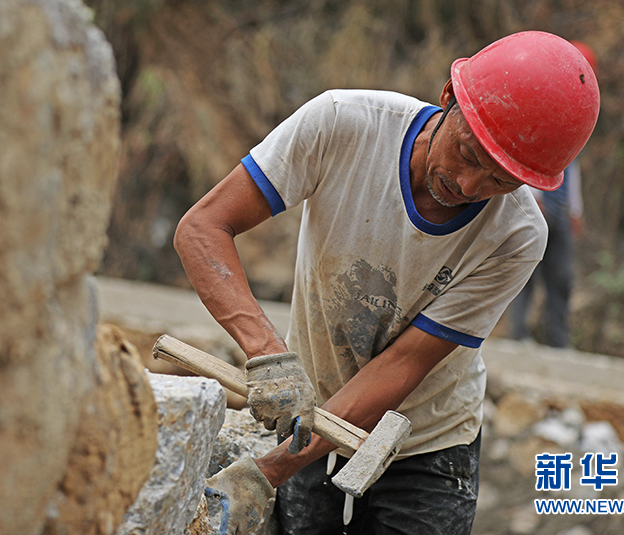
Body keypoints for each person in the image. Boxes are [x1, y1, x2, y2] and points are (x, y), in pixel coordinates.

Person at [173, 31, 600, 535]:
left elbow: (402, 363)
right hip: (312, 406)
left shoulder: (517, 235)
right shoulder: (343, 125)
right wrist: (269, 356)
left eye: (501, 181)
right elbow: (203, 228)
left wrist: (266, 473)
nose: (468, 186)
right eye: (468, 153)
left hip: (428, 439)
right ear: (448, 97)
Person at [509, 41, 597, 349]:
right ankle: (518, 334)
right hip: (537, 202)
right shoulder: (542, 102)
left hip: (561, 208)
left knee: (561, 277)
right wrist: (530, 197)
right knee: (526, 270)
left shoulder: (581, 112)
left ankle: (559, 341)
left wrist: (576, 210)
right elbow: (527, 151)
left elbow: (573, 166)